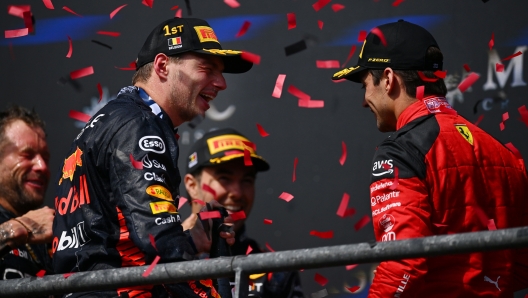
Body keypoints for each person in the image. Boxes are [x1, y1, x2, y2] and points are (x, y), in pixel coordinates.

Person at [52, 17, 253, 297]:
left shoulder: (115, 117)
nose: (221, 83)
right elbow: (158, 239)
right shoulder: (138, 125)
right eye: (206, 69)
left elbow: (123, 228)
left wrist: (192, 241)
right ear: (162, 66)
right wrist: (207, 291)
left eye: (220, 73)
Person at [332, 20, 528, 297]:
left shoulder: (401, 151)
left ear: (388, 79)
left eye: (365, 84)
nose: (364, 100)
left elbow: (403, 261)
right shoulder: (503, 152)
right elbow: (522, 265)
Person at [182, 128, 304, 298]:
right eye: (224, 178)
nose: (237, 193)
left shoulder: (274, 270)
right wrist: (181, 247)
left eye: (247, 180)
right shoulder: (153, 257)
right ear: (192, 186)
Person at [0, 105, 54, 281]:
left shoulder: (50, 236)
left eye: (45, 158)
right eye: (27, 155)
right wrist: (20, 228)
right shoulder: (27, 227)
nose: (42, 166)